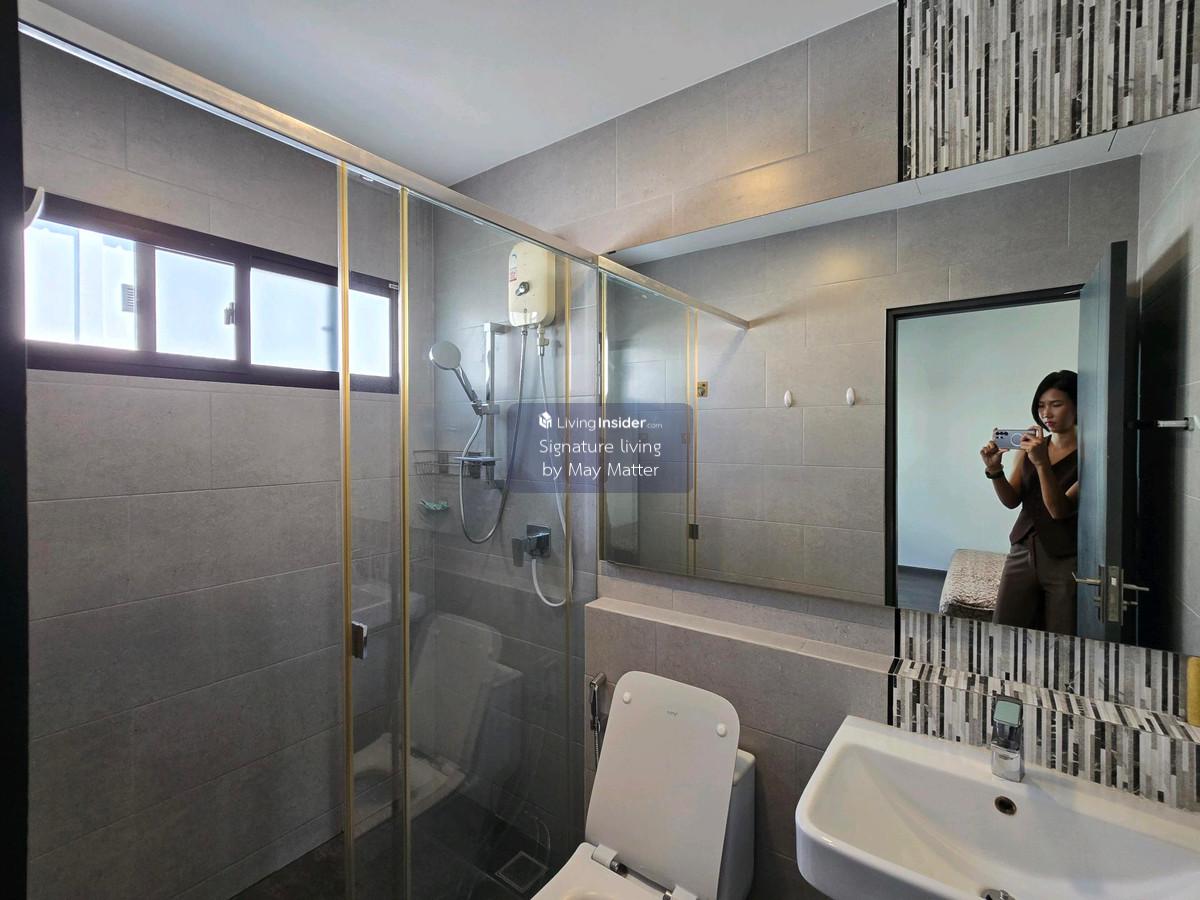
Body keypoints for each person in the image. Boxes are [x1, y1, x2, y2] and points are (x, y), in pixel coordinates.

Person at [979, 370, 1080, 634]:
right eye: (1041, 406)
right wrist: (994, 470)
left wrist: (1041, 463)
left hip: (1063, 555)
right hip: (1023, 547)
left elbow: (1059, 510)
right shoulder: (1030, 449)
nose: (1047, 413)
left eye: (1056, 404)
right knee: (1004, 628)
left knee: (1060, 635)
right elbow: (1011, 500)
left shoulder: (1090, 455)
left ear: (1078, 406)